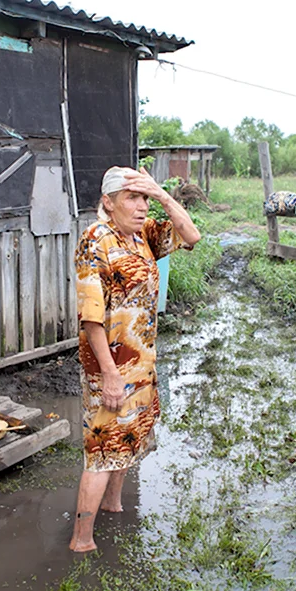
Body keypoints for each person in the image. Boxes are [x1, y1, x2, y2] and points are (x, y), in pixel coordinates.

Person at [69, 166, 201, 553]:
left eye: (144, 198)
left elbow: (191, 235)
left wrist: (161, 194)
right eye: (132, 197)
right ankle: (81, 541)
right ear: (108, 203)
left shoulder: (141, 236)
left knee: (128, 436)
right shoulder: (97, 240)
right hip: (110, 367)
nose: (141, 206)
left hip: (141, 362)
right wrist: (110, 375)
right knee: (102, 448)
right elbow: (91, 318)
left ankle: (113, 502)